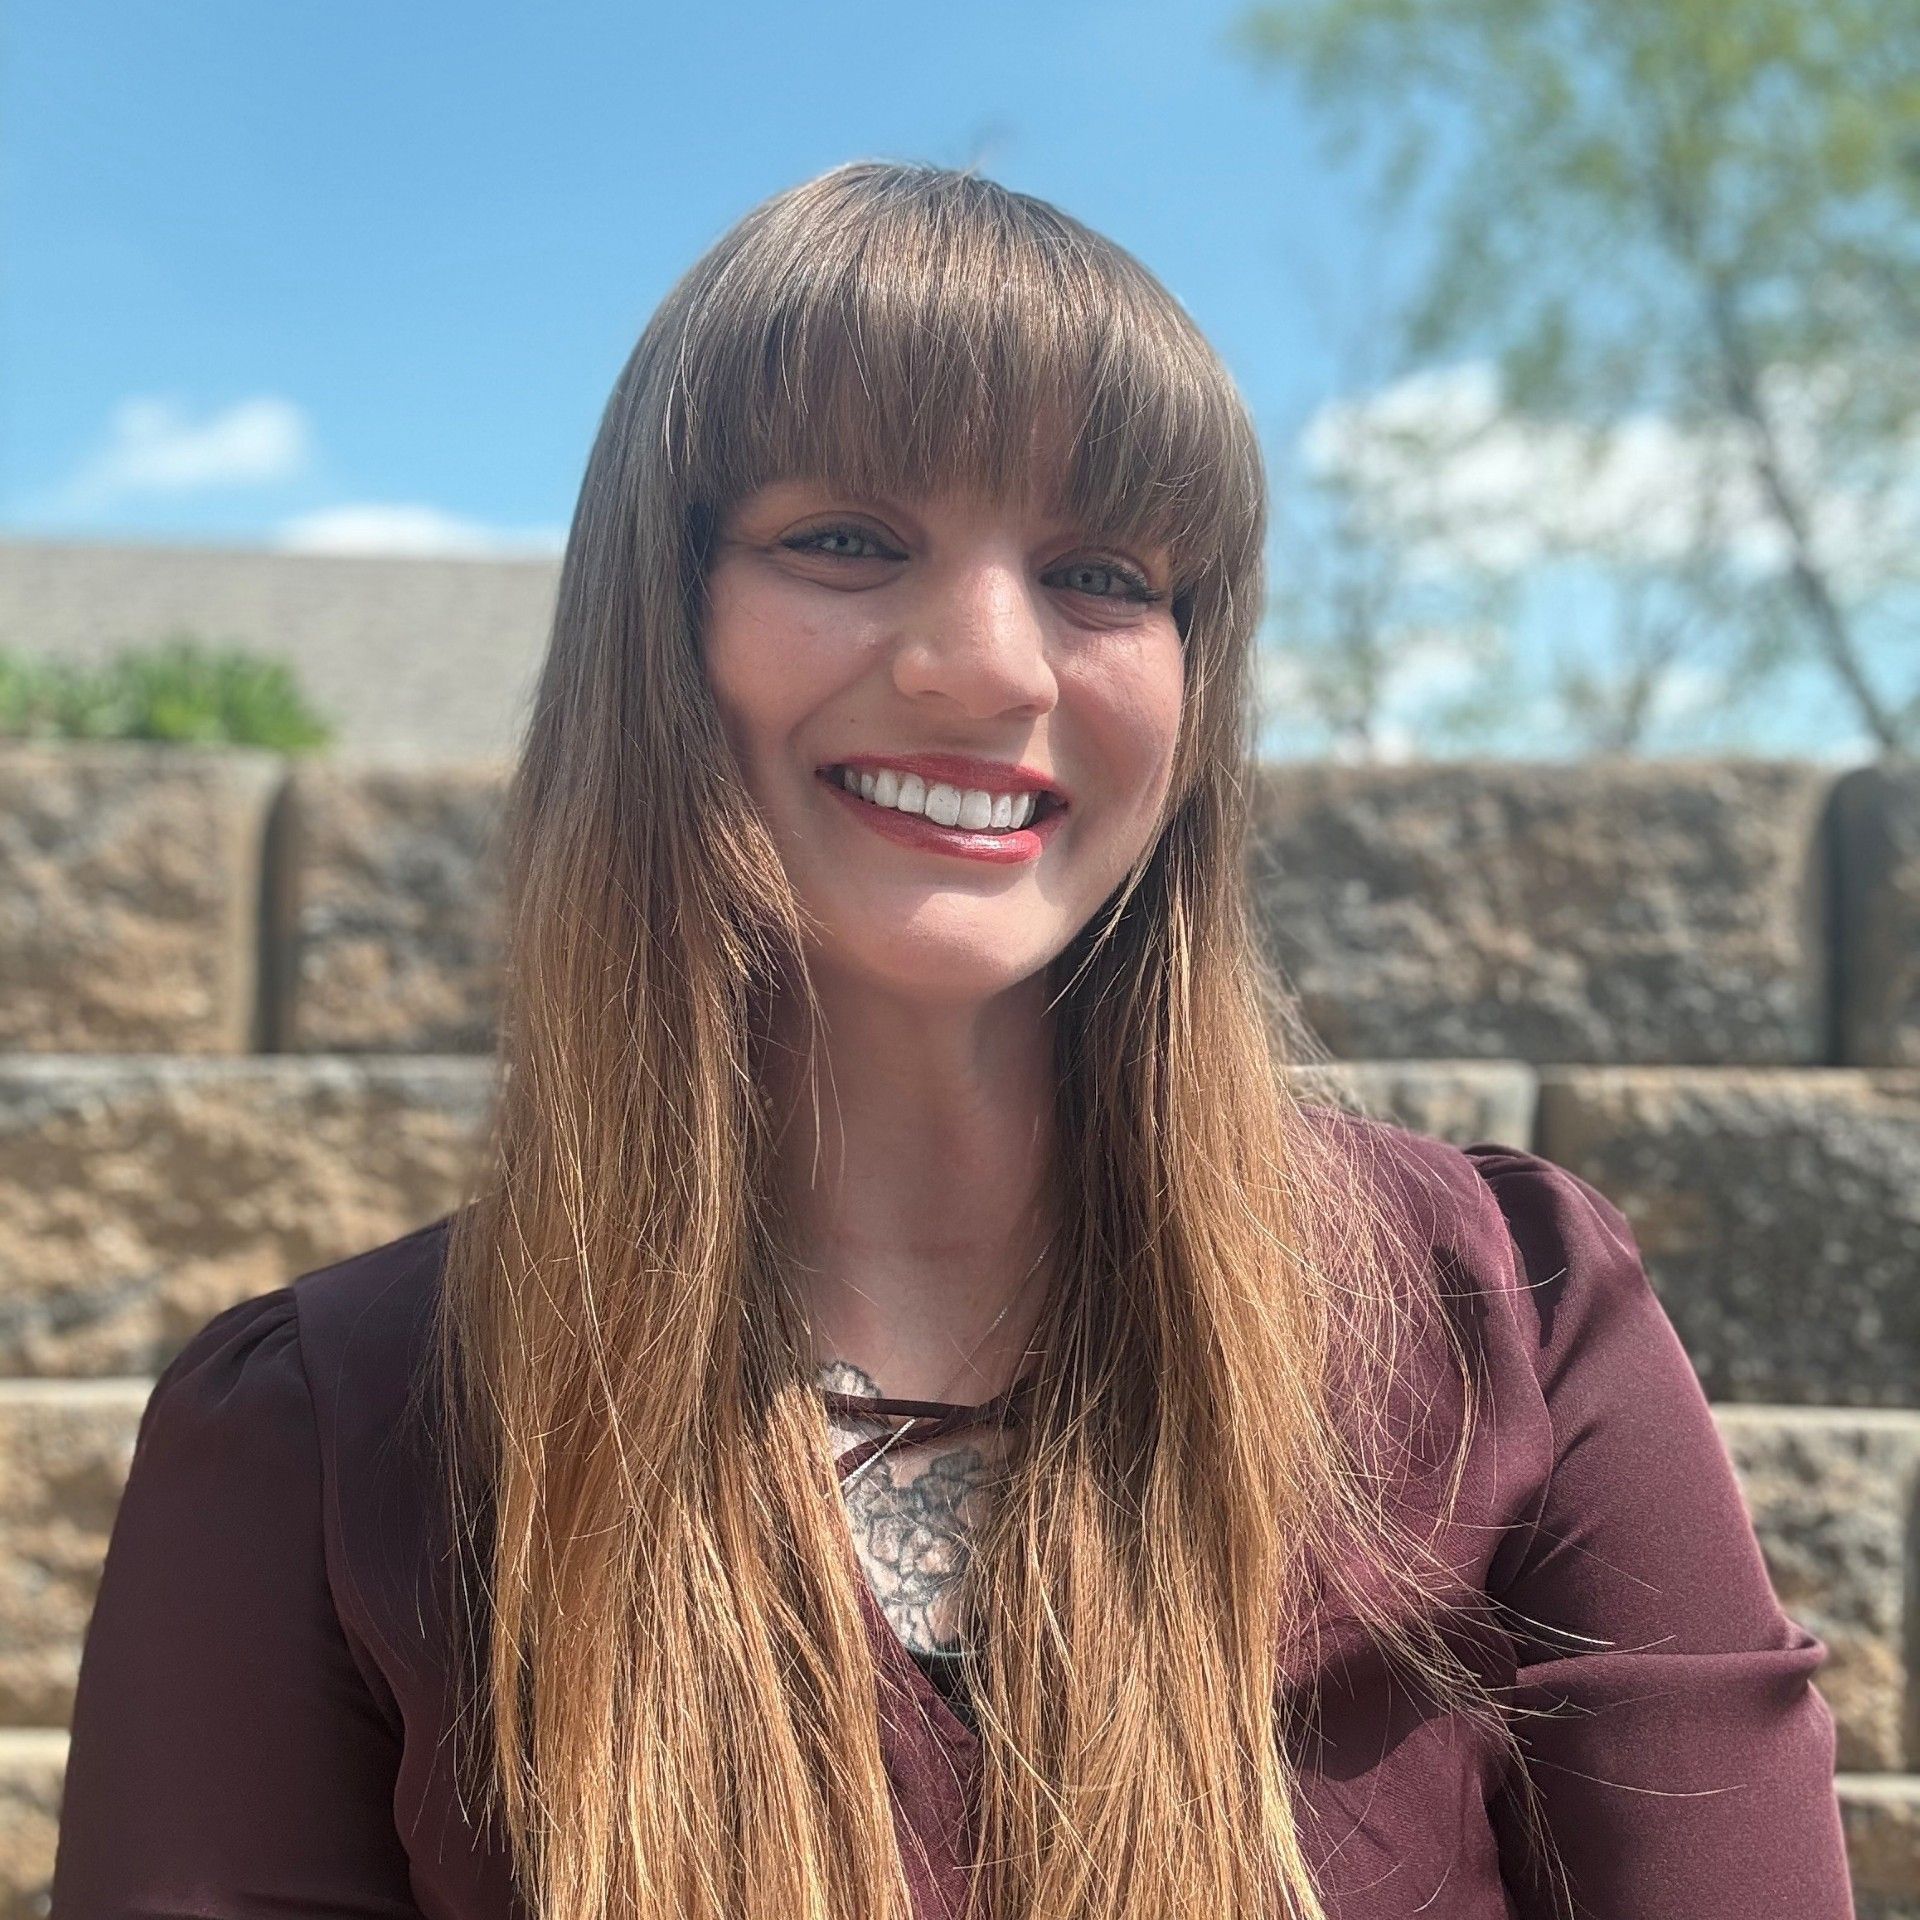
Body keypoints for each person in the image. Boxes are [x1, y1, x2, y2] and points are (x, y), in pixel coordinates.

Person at [49, 160, 1853, 1920]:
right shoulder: (316, 1443)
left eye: (1105, 573)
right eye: (844, 538)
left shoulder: (1506, 1320)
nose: (989, 664)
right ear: (656, 624)